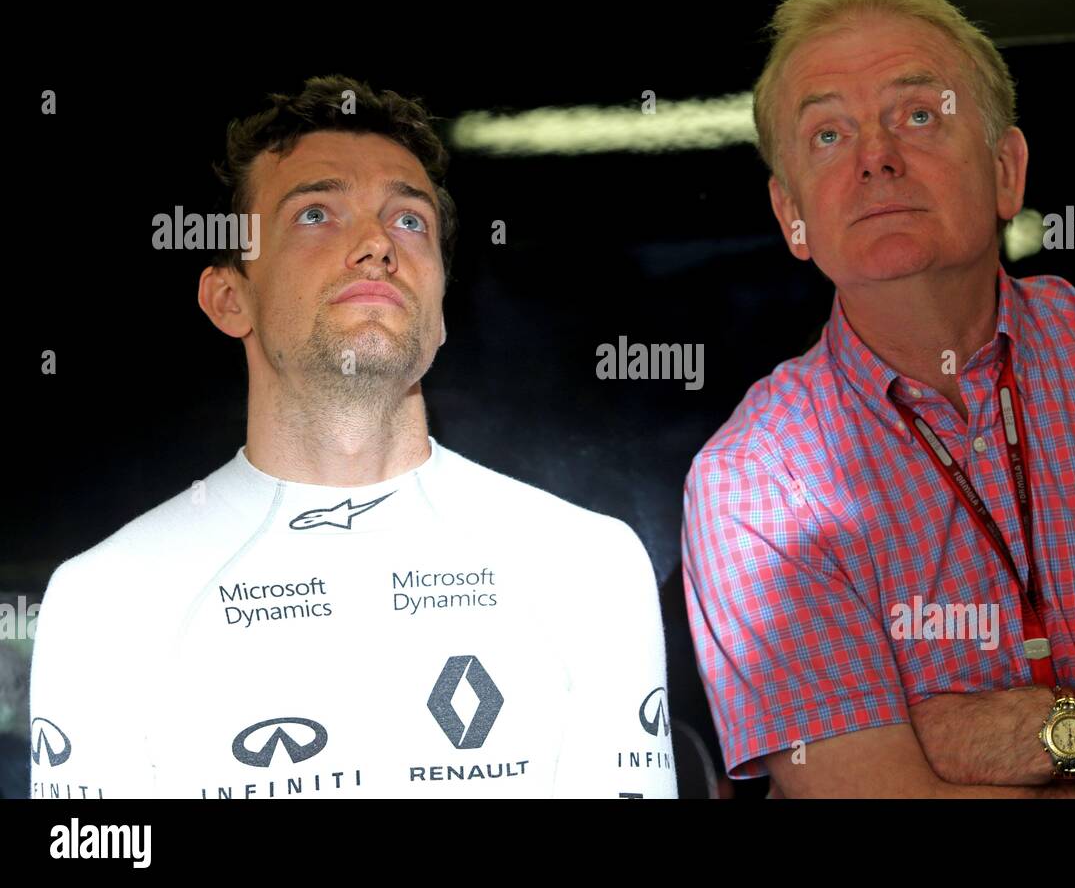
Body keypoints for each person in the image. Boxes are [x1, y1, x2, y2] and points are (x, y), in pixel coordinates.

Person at [682, 0, 1075, 798]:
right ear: (791, 215)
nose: (876, 158)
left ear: (1007, 170)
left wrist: (1014, 732)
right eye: (828, 134)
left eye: (919, 114)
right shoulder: (754, 487)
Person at [29, 76, 677, 799]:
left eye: (409, 221)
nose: (374, 243)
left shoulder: (590, 567)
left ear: (438, 311)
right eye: (315, 213)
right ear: (228, 298)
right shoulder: (104, 602)